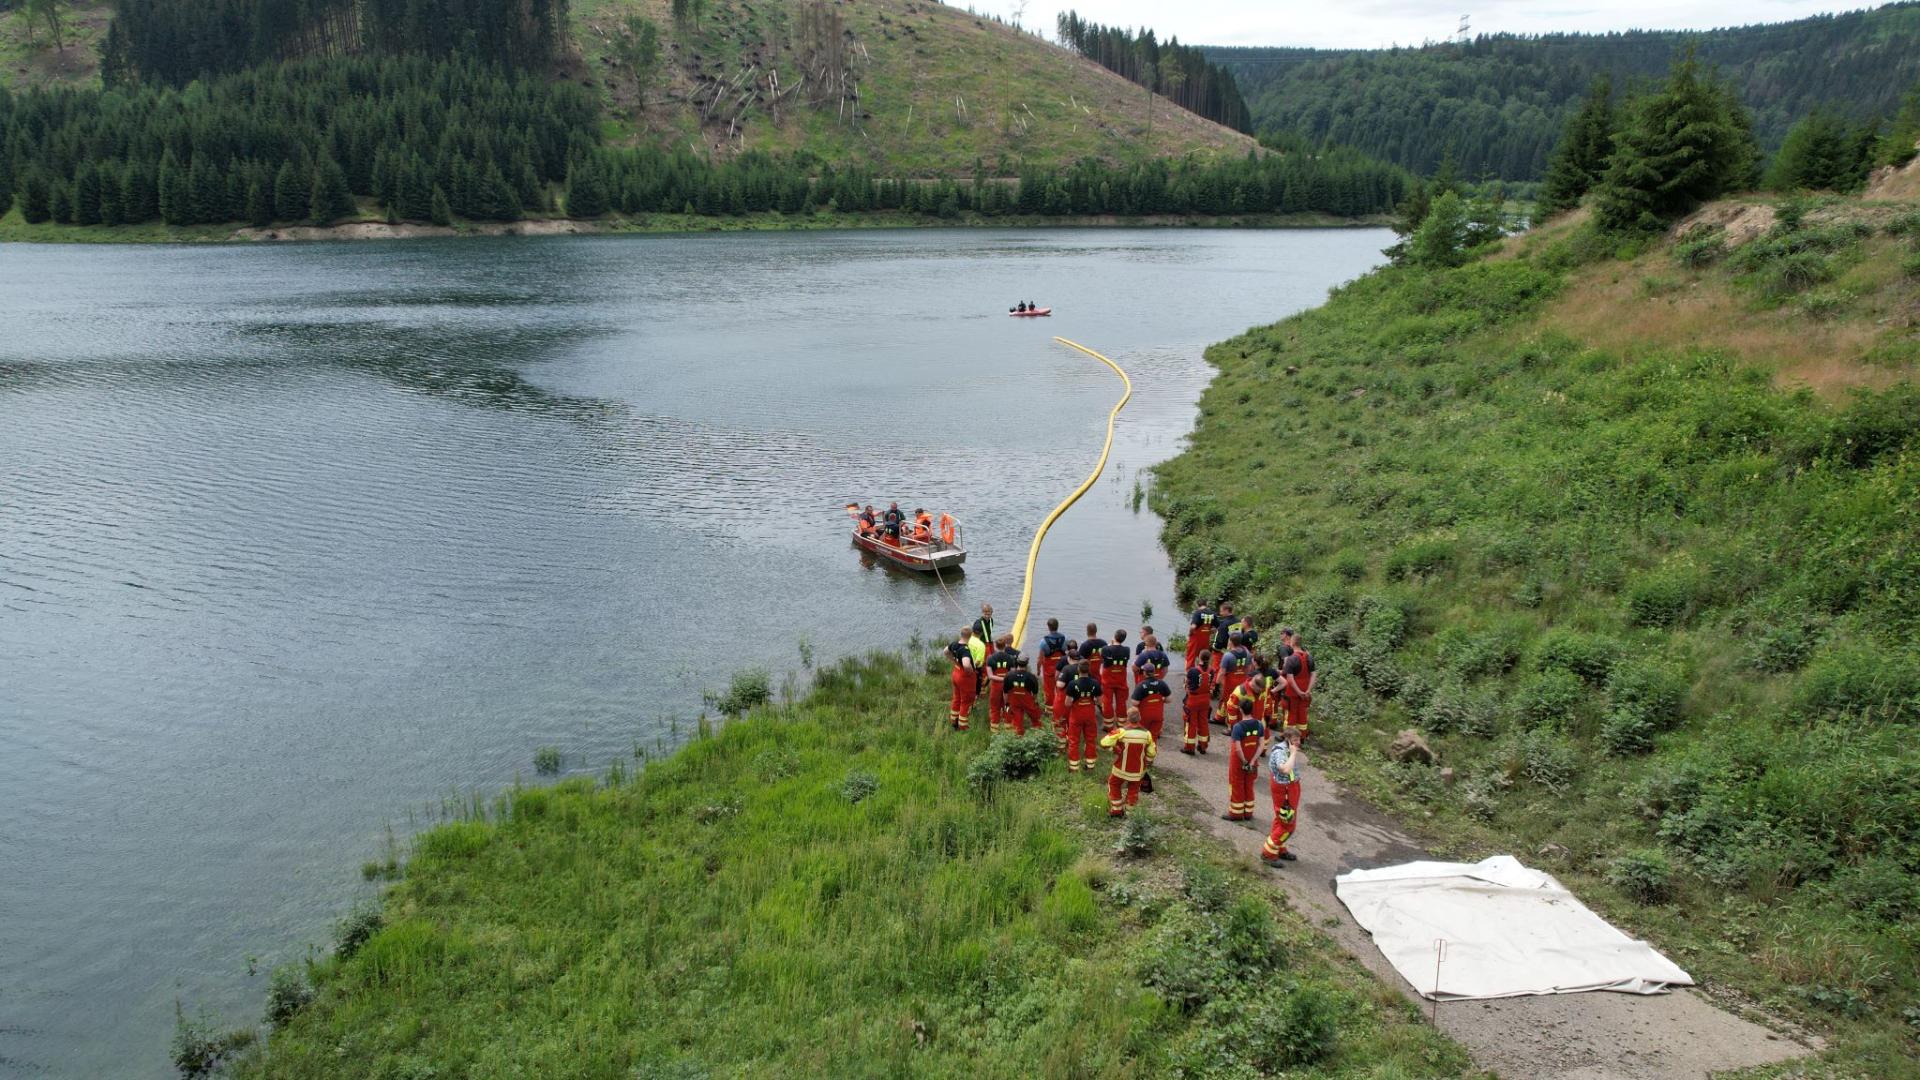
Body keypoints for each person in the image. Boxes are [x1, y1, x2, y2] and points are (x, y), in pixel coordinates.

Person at [1100, 707, 1157, 817]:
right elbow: (1152, 753)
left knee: (1113, 784)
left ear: (1127, 719)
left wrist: (1114, 749)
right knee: (1133, 789)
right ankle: (1130, 813)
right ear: (1139, 717)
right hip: (1138, 771)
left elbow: (1104, 743)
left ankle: (1116, 810)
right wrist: (1148, 761)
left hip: (1120, 769)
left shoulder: (1122, 732)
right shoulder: (1147, 734)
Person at [1261, 728, 1304, 865]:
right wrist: (1292, 754)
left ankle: (1278, 848)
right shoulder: (1280, 751)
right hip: (1284, 790)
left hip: (1290, 788)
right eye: (1295, 740)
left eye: (1299, 740)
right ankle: (1268, 853)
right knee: (1288, 825)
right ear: (1288, 740)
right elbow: (1285, 769)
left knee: (1281, 820)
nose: (1298, 743)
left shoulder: (1289, 748)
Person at [1224, 692, 1266, 822]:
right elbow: (1261, 745)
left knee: (1237, 785)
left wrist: (1245, 762)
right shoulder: (1259, 724)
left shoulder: (1237, 727)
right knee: (1249, 785)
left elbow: (1238, 748)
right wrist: (1252, 761)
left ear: (1241, 710)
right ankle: (1248, 813)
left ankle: (1236, 814)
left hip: (1239, 763)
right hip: (1253, 762)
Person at [1063, 661, 1104, 772]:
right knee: (1090, 740)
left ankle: (1074, 767)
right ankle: (1090, 766)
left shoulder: (1072, 684)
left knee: (1074, 740)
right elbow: (1100, 702)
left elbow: (1067, 703)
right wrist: (1093, 701)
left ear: (1078, 670)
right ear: (1089, 670)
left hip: (1076, 716)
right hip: (1090, 715)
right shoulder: (1095, 683)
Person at [1282, 628, 1314, 739]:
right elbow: (1314, 675)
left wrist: (1298, 691)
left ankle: (1289, 738)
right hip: (1306, 692)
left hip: (1293, 693)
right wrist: (1308, 690)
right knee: (1302, 715)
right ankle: (1302, 738)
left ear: (1292, 643)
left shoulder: (1291, 659)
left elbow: (1290, 679)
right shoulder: (1309, 657)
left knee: (1291, 716)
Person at [1130, 665, 1172, 747]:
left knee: (1142, 735)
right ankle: (1150, 756)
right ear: (1154, 672)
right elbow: (1169, 699)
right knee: (1153, 737)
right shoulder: (1161, 683)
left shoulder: (1141, 685)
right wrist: (1160, 700)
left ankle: (1142, 753)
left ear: (1144, 673)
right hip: (1158, 716)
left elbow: (1135, 702)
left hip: (1144, 717)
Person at [946, 628, 978, 731]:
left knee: (957, 698)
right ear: (971, 636)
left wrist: (954, 661)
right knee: (966, 701)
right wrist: (971, 672)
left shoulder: (954, 644)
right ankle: (963, 726)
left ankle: (953, 721)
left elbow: (945, 651)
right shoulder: (965, 650)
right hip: (964, 678)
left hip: (956, 673)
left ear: (961, 634)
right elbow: (966, 664)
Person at [1182, 649, 1213, 754]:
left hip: (1193, 701)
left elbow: (1186, 685)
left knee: (1191, 723)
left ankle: (1189, 748)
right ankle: (1203, 746)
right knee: (1203, 723)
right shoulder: (1212, 671)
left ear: (1199, 657)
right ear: (1210, 659)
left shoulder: (1192, 671)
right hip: (1205, 700)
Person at [985, 635, 1018, 732]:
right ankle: (1008, 727)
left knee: (995, 706)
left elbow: (990, 676)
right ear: (1005, 646)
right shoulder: (1011, 658)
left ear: (995, 646)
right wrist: (1005, 678)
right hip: (1007, 685)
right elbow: (1013, 673)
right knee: (1007, 705)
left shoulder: (990, 658)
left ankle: (994, 729)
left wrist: (999, 678)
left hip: (995, 685)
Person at [1099, 629, 1132, 723]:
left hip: (1108, 680)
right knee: (1121, 701)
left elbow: (1102, 658)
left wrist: (1110, 644)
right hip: (1121, 679)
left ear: (1114, 637)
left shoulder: (1106, 649)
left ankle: (1108, 724)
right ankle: (1121, 723)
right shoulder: (1127, 649)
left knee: (1107, 701)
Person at [1036, 618, 1068, 717]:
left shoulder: (1043, 642)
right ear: (1057, 626)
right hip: (1062, 670)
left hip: (1049, 671)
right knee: (1062, 689)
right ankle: (1062, 709)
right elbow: (1067, 654)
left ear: (1048, 627)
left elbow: (1040, 659)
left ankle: (1050, 712)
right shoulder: (1065, 639)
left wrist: (1038, 670)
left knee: (1049, 691)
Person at [1003, 658, 1042, 736]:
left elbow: (1005, 692)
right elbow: (1035, 693)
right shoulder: (1031, 677)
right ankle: (1038, 735)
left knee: (1017, 722)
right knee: (1037, 718)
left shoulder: (1009, 675)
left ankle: (1018, 737)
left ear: (1017, 663)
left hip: (1014, 702)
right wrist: (1034, 702)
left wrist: (1006, 703)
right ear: (1027, 664)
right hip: (1028, 702)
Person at [1186, 600, 1218, 671]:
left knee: (1191, 657)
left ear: (1197, 605)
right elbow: (1218, 627)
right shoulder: (1213, 614)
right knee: (1204, 657)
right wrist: (1210, 631)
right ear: (1206, 604)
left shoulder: (1197, 613)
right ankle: (1204, 673)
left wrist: (1190, 633)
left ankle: (1189, 674)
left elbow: (1193, 627)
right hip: (1206, 639)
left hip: (1195, 639)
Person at [970, 605, 995, 694]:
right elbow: (974, 632)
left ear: (991, 613)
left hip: (990, 642)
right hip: (983, 644)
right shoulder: (978, 622)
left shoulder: (991, 620)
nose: (987, 615)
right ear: (982, 613)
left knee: (993, 661)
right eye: (985, 613)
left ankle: (990, 677)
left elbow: (989, 632)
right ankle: (982, 686)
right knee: (985, 663)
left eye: (989, 613)